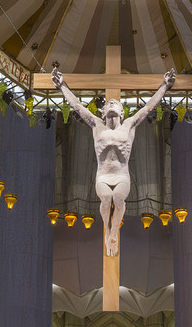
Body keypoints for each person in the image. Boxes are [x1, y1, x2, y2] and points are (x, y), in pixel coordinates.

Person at [53, 64, 176, 256]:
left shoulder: (129, 125)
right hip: (103, 176)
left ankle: (113, 233)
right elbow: (77, 106)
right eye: (108, 103)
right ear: (102, 112)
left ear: (122, 112)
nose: (111, 103)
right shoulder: (97, 125)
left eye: (115, 103)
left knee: (118, 198)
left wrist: (164, 86)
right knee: (106, 198)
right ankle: (107, 230)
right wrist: (62, 86)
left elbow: (148, 107)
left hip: (121, 176)